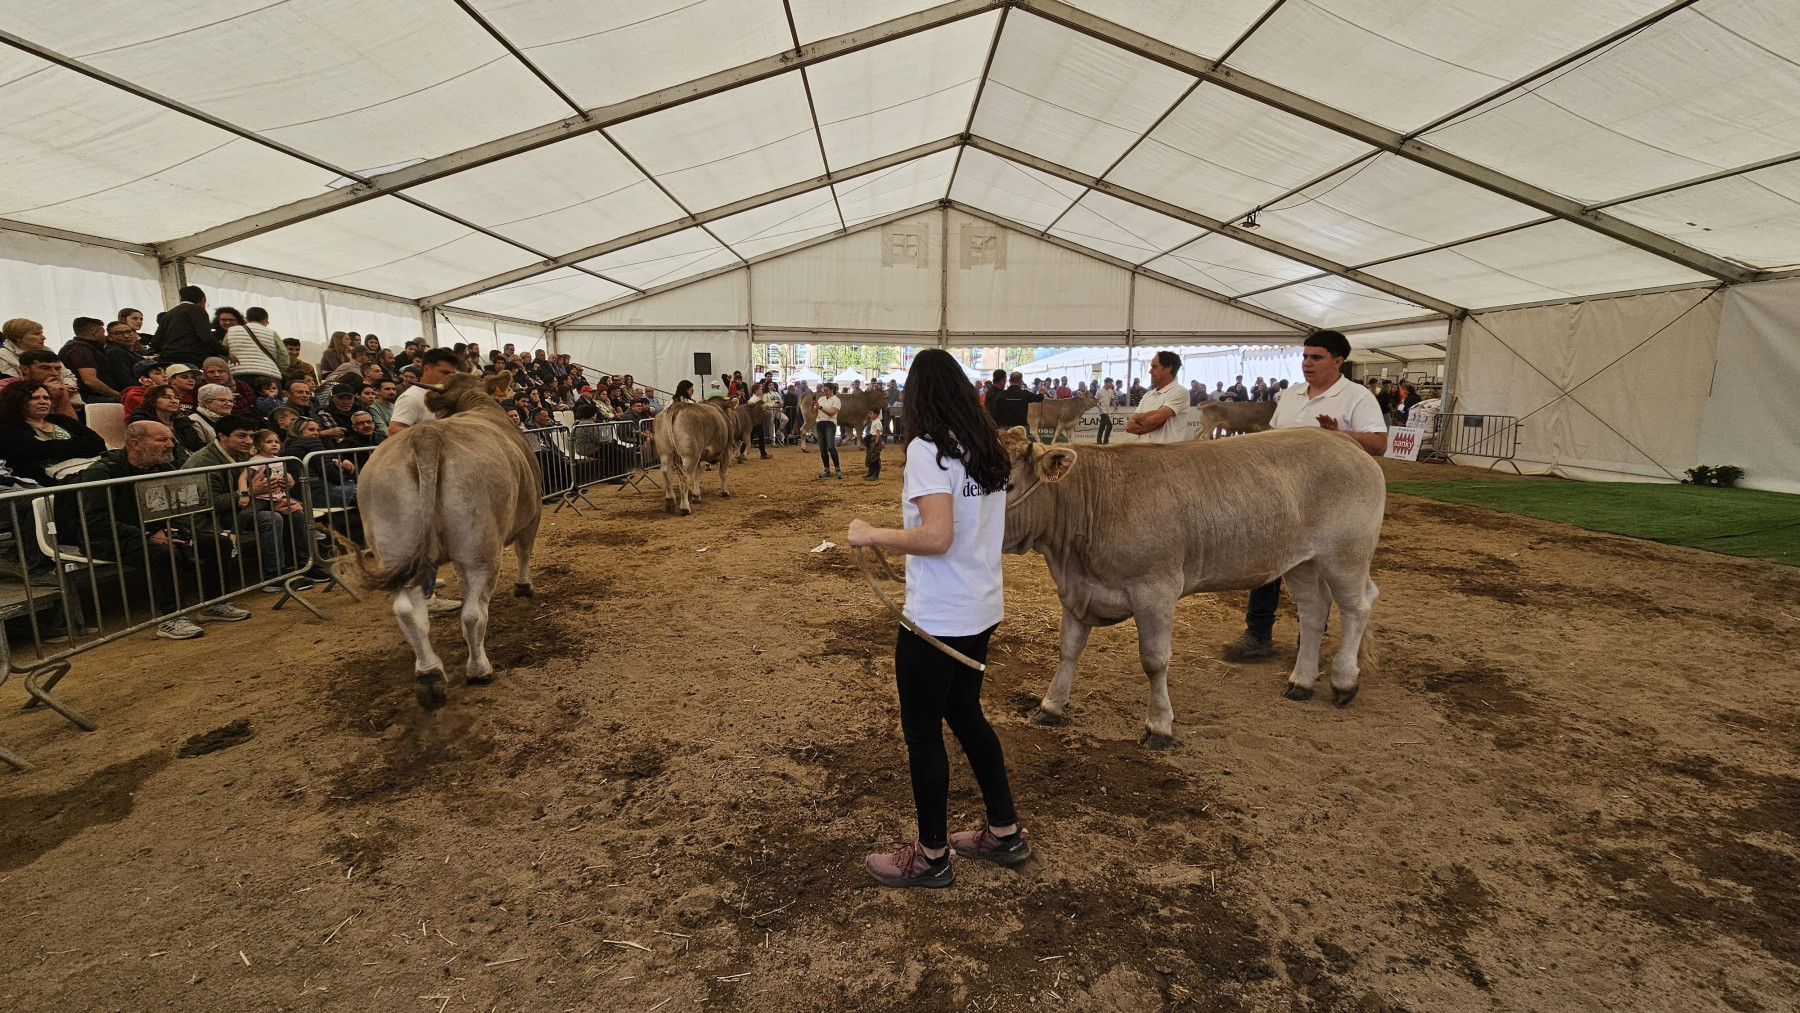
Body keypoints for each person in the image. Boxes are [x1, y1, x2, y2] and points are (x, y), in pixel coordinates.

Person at [847, 347, 1026, 889]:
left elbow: (937, 535)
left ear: (920, 396)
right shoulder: (984, 447)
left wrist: (871, 533)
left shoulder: (928, 450)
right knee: (967, 716)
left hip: (937, 619)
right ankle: (1003, 831)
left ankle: (930, 856)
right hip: (979, 608)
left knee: (923, 733)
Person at [1222, 330, 1389, 662]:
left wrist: (1337, 437)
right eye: (1305, 356)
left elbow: (1379, 444)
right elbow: (1274, 437)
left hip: (1328, 499)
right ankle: (1257, 634)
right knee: (1264, 563)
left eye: (1317, 357)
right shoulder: (1292, 393)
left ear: (1338, 361)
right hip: (1278, 495)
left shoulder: (1356, 396)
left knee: (1327, 567)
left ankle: (1308, 641)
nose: (1307, 363)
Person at [68, 421, 252, 639]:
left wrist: (180, 531)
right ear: (136, 443)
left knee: (218, 543)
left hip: (159, 529)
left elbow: (180, 507)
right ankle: (171, 618)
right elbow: (96, 521)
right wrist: (146, 535)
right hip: (110, 537)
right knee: (164, 553)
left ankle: (215, 603)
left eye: (171, 439)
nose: (171, 444)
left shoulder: (164, 467)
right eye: (162, 439)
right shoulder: (102, 472)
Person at [385, 347, 462, 614]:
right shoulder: (412, 398)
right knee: (425, 534)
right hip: (417, 477)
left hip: (435, 476)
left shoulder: (438, 397)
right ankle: (425, 596)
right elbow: (395, 430)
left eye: (452, 374)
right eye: (444, 372)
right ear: (426, 369)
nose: (448, 378)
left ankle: (426, 581)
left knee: (436, 533)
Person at [0, 381, 106, 485]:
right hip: (49, 482)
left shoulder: (61, 420)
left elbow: (99, 443)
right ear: (17, 401)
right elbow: (36, 451)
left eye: (46, 398)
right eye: (35, 398)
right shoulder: (7, 427)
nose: (43, 402)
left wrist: (51, 446)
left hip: (87, 469)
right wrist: (78, 444)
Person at [128, 384, 206, 466]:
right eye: (166, 397)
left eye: (177, 398)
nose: (174, 401)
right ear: (153, 400)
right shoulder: (141, 421)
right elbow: (153, 451)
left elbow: (198, 445)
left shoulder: (182, 420)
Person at [1124, 351, 1190, 443]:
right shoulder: (1148, 395)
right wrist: (1148, 425)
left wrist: (1138, 418)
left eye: (1154, 367)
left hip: (1166, 454)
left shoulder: (1179, 392)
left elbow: (1152, 420)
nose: (1150, 371)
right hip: (1142, 453)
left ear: (1168, 368)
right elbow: (1129, 427)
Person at [59, 317, 129, 403]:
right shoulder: (81, 350)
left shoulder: (79, 347)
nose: (105, 336)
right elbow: (90, 381)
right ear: (95, 333)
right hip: (89, 397)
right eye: (103, 332)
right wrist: (119, 396)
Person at [152, 285, 224, 367]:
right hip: (189, 358)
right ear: (203, 300)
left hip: (167, 360)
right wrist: (225, 351)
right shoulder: (198, 310)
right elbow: (206, 337)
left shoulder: (168, 314)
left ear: (181, 299)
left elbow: (155, 342)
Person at [226, 306, 288, 386]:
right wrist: (276, 369)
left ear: (246, 319)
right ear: (265, 320)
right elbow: (284, 357)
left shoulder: (231, 331)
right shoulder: (272, 333)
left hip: (238, 375)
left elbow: (224, 353)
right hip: (268, 376)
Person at [815, 382, 843, 479]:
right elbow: (813, 411)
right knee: (823, 448)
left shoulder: (836, 400)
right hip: (820, 423)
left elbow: (832, 413)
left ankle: (837, 468)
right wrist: (813, 406)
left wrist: (820, 407)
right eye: (824, 390)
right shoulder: (821, 399)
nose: (825, 392)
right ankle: (827, 469)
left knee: (831, 446)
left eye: (826, 390)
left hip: (830, 423)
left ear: (832, 390)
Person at [862, 411, 882, 481]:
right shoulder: (873, 421)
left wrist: (876, 443)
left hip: (874, 440)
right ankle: (870, 472)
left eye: (871, 413)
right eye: (869, 413)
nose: (869, 415)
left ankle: (875, 474)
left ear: (876, 414)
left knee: (874, 456)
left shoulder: (877, 422)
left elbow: (878, 433)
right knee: (870, 456)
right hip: (871, 439)